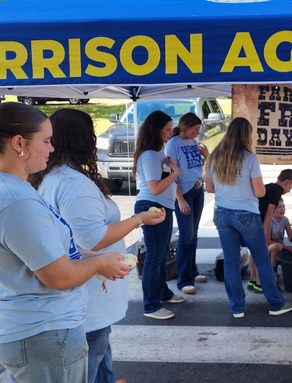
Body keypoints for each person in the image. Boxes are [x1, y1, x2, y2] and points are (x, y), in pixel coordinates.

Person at [0, 102, 130, 382]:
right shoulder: (15, 200)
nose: (52, 149)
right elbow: (59, 276)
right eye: (46, 141)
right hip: (42, 332)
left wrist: (90, 258)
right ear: (19, 143)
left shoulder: (6, 186)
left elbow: (49, 251)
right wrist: (99, 260)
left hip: (30, 328)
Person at [29, 109, 166, 383]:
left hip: (85, 289)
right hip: (88, 292)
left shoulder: (53, 176)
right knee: (90, 361)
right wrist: (138, 219)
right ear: (82, 139)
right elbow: (92, 238)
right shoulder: (73, 184)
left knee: (100, 352)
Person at [205, 117, 292, 318]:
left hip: (221, 213)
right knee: (262, 260)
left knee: (231, 261)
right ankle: (275, 303)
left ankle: (237, 308)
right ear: (246, 135)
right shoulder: (249, 158)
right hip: (246, 213)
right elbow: (260, 192)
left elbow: (209, 188)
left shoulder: (214, 157)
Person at [133, 111, 184, 321]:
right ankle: (151, 305)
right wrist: (175, 173)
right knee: (154, 257)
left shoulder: (157, 153)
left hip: (161, 206)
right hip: (152, 205)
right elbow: (154, 188)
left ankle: (162, 292)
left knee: (160, 254)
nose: (170, 133)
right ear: (156, 130)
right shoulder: (150, 155)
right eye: (167, 129)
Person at [165, 112, 209, 295]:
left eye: (199, 129)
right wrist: (180, 199)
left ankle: (192, 270)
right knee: (186, 235)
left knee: (194, 234)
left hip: (198, 189)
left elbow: (195, 165)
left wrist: (206, 156)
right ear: (185, 127)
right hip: (184, 192)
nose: (197, 133)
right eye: (195, 129)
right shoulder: (173, 144)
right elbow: (170, 173)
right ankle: (184, 280)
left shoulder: (192, 142)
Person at [248, 169, 292, 293]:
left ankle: (253, 280)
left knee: (253, 252)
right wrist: (264, 231)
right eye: (291, 187)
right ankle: (260, 284)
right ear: (287, 182)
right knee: (261, 253)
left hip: (250, 219)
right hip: (258, 221)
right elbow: (269, 213)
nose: (289, 190)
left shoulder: (270, 187)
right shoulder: (277, 191)